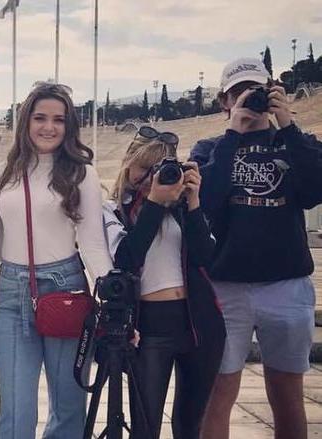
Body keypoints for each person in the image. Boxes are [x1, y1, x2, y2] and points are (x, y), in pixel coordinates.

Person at [191, 57, 322, 439]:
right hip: (225, 287)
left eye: (256, 91)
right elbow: (207, 201)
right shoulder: (210, 147)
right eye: (238, 93)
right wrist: (234, 135)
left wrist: (289, 126)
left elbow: (315, 191)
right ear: (224, 102)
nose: (248, 100)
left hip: (286, 285)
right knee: (218, 393)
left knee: (287, 394)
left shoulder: (297, 142)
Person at [0, 82, 112, 439]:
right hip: (13, 292)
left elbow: (91, 240)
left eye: (58, 120)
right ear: (26, 121)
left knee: (69, 405)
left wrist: (111, 294)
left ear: (68, 125)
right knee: (15, 410)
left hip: (66, 289)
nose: (49, 127)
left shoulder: (82, 172)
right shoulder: (4, 171)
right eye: (40, 117)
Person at [103, 128, 226, 438]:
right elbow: (126, 258)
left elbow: (206, 258)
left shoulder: (184, 207)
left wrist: (194, 204)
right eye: (144, 168)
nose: (150, 178)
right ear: (128, 165)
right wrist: (155, 203)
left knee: (189, 426)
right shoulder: (115, 209)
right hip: (148, 327)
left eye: (158, 169)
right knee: (145, 427)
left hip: (198, 323)